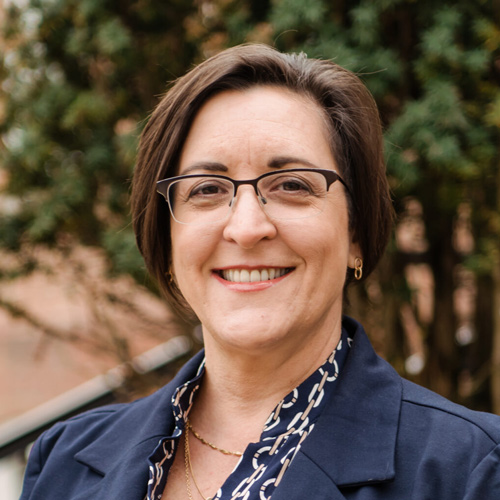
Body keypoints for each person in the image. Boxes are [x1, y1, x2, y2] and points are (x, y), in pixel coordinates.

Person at [20, 44, 500, 500]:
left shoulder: (468, 468)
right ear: (167, 239)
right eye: (206, 189)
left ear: (356, 231)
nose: (246, 228)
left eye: (291, 184)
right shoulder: (63, 462)